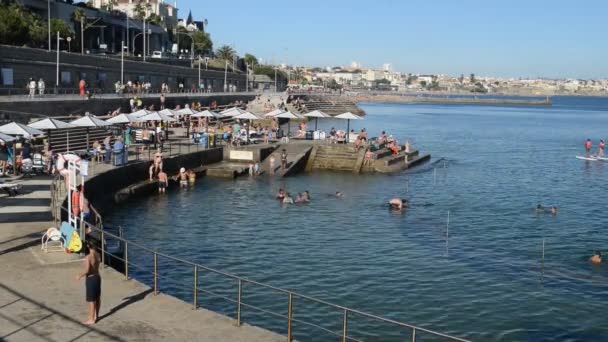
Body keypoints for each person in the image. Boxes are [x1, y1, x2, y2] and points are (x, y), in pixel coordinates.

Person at [76, 239, 101, 325]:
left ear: (88, 246)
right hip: (97, 277)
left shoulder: (88, 257)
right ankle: (96, 316)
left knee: (91, 300)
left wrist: (80, 275)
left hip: (91, 279)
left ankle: (91, 319)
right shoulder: (98, 255)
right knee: (97, 298)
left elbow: (87, 270)